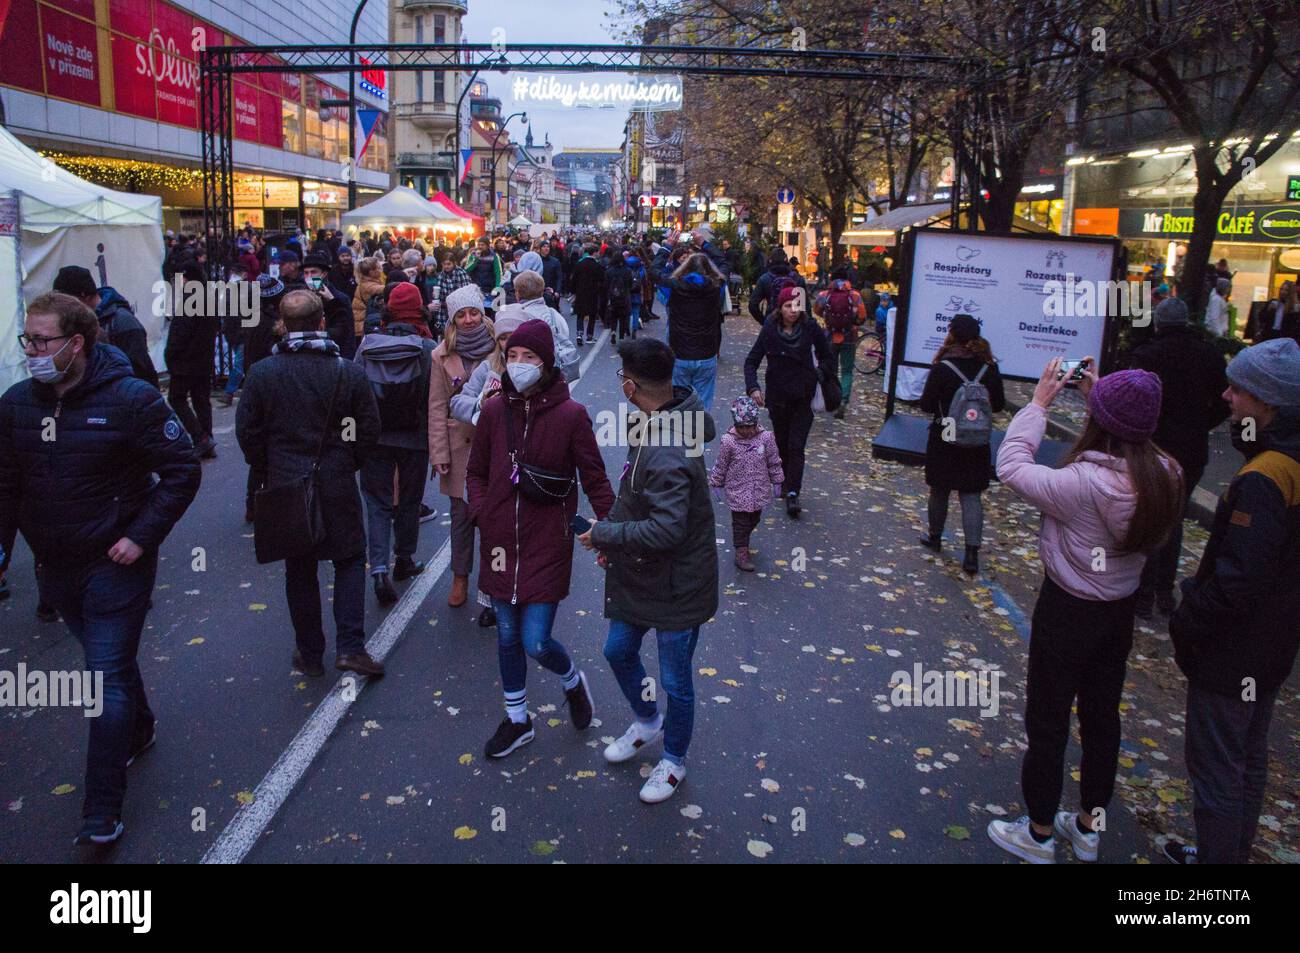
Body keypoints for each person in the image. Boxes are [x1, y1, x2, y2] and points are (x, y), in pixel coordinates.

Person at [0, 292, 201, 845]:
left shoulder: (132, 399)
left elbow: (181, 470)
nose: (32, 350)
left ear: (76, 343)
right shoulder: (17, 404)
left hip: (116, 562)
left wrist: (140, 536)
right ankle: (138, 725)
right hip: (55, 565)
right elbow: (6, 486)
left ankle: (101, 810)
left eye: (42, 340)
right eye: (28, 339)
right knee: (105, 660)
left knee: (102, 676)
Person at [989, 361, 1182, 864]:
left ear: (1098, 421)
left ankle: (1037, 832)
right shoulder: (1168, 476)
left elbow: (1010, 465)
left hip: (1067, 609)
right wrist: (1108, 403)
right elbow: (1138, 447)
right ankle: (1089, 824)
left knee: (1049, 719)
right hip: (1116, 613)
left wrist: (1037, 405)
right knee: (1101, 716)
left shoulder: (1080, 483)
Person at [1165, 338, 1300, 865]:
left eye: (1237, 389)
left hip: (1234, 649)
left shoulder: (1265, 476)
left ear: (1267, 402)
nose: (1225, 396)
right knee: (1247, 758)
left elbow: (1238, 579)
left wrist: (1189, 614)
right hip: (1273, 643)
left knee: (1218, 768)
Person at [578, 337, 718, 804]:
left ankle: (673, 760)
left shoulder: (668, 446)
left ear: (631, 385)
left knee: (676, 680)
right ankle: (646, 721)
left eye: (621, 377)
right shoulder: (654, 421)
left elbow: (666, 531)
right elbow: (631, 494)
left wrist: (605, 537)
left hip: (679, 584)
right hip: (642, 573)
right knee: (618, 650)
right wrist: (613, 536)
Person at [467, 320, 615, 758]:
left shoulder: (572, 417)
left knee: (535, 640)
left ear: (547, 363)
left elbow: (595, 479)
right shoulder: (494, 411)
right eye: (512, 357)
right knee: (507, 635)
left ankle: (571, 680)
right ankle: (517, 719)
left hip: (547, 542)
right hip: (497, 544)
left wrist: (611, 533)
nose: (518, 365)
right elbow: (475, 471)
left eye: (528, 358)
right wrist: (482, 512)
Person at [236, 290, 385, 680]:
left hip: (287, 482)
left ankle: (310, 651)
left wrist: (270, 466)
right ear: (322, 322)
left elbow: (248, 432)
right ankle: (350, 647)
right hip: (335, 478)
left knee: (299, 567)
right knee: (350, 559)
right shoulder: (346, 371)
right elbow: (368, 428)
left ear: (283, 325)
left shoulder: (263, 372)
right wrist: (349, 459)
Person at [1125, 297, 1229, 617]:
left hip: (1154, 446)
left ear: (1158, 322)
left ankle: (1143, 593)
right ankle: (1164, 591)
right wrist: (1202, 424)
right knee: (1175, 518)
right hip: (1192, 448)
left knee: (1151, 514)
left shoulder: (1147, 356)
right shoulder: (1210, 355)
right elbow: (1224, 401)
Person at [354, 293, 435, 606]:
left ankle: (377, 569)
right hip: (414, 437)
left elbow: (356, 388)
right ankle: (404, 559)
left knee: (377, 503)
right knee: (410, 501)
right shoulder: (427, 349)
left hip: (375, 436)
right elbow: (434, 397)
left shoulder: (368, 345)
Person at [916, 314, 1006, 575]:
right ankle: (971, 554)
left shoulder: (943, 366)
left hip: (946, 433)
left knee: (940, 488)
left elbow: (926, 405)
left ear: (952, 334)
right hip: (977, 439)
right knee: (971, 494)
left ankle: (934, 537)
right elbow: (998, 405)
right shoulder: (988, 367)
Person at [429, 284, 498, 617]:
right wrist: (439, 452)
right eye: (462, 314)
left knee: (493, 520)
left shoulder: (501, 347)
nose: (469, 319)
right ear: (453, 319)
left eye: (474, 312)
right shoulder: (440, 354)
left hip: (496, 447)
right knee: (460, 519)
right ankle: (460, 577)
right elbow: (437, 406)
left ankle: (490, 582)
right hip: (459, 448)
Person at [744, 284, 831, 519]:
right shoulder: (770, 330)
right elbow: (751, 361)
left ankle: (793, 492)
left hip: (803, 395)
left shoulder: (810, 328)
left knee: (796, 446)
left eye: (796, 306)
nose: (793, 310)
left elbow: (827, 356)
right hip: (778, 397)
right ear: (780, 308)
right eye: (787, 305)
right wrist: (753, 387)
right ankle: (784, 481)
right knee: (782, 444)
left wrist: (818, 374)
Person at [709, 396, 783, 571]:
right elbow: (721, 464)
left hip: (759, 489)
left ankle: (743, 539)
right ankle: (741, 552)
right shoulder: (729, 441)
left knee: (754, 519)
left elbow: (773, 460)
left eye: (749, 426)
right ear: (736, 425)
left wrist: (778, 480)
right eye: (742, 427)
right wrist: (716, 482)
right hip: (738, 490)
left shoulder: (765, 438)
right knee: (741, 522)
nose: (747, 431)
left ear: (755, 423)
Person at [52, 266, 159, 389]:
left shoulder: (122, 322)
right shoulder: (75, 321)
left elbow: (141, 371)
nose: (63, 308)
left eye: (67, 302)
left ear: (84, 295)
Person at [656, 252, 727, 411]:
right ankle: (701, 432)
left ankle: (683, 433)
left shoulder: (674, 287)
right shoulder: (716, 287)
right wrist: (706, 246)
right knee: (704, 400)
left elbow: (655, 272)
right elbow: (725, 264)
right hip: (707, 352)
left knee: (680, 400)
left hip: (680, 352)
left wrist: (666, 248)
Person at [163, 273, 221, 460]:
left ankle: (200, 437)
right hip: (203, 361)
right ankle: (206, 438)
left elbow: (179, 334)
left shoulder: (189, 301)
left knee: (177, 398)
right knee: (201, 400)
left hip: (186, 362)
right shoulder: (208, 300)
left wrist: (171, 355)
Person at [813, 266, 868, 420]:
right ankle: (843, 400)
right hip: (849, 337)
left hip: (830, 336)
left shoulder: (825, 295)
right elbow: (862, 316)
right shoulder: (855, 295)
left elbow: (817, 310)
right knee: (847, 371)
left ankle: (832, 398)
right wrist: (854, 323)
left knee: (831, 369)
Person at [298, 252, 355, 359]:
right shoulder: (300, 297)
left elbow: (348, 334)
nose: (309, 277)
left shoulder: (339, 298)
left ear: (324, 274)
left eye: (313, 272)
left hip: (333, 354)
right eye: (306, 273)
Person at [748, 248, 807, 325]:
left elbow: (752, 305)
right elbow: (805, 306)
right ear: (786, 260)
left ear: (770, 260)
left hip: (772, 321)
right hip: (795, 324)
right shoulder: (797, 278)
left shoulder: (764, 279)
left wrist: (763, 321)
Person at [571, 244, 606, 346]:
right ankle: (589, 336)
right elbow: (602, 279)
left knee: (580, 314)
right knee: (592, 314)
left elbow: (574, 279)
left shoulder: (579, 264)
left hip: (581, 292)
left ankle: (579, 334)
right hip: (593, 293)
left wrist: (574, 291)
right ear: (594, 252)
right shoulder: (597, 265)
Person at [604, 251, 636, 344]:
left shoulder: (609, 271)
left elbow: (605, 284)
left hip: (612, 296)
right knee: (623, 317)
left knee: (613, 316)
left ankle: (613, 331)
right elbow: (630, 284)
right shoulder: (627, 270)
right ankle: (621, 336)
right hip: (624, 296)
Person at [352, 256, 386, 341]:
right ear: (371, 272)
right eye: (378, 267)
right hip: (363, 327)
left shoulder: (366, 283)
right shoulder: (369, 287)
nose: (381, 269)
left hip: (363, 325)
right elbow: (387, 289)